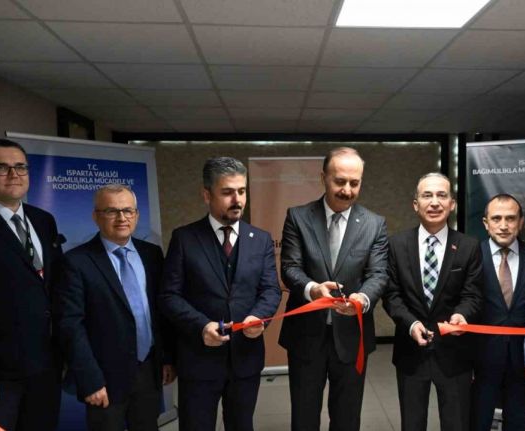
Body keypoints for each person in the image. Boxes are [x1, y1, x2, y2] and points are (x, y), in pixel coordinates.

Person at [160, 157, 280, 431]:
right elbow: (169, 296)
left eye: (242, 191)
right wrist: (201, 326)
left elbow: (270, 289)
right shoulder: (184, 239)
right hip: (198, 360)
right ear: (207, 195)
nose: (237, 200)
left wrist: (259, 317)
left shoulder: (260, 239)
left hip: (245, 359)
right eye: (227, 192)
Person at [278, 147, 388, 431]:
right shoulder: (298, 217)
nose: (347, 190)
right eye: (340, 181)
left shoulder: (375, 224)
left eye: (354, 183)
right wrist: (313, 289)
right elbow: (290, 267)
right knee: (304, 417)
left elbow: (378, 274)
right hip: (306, 336)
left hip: (352, 336)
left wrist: (362, 299)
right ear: (323, 178)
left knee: (347, 418)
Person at [57, 184, 176, 430]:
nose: (122, 218)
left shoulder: (152, 254)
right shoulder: (76, 262)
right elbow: (70, 325)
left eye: (128, 210)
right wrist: (89, 379)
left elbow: (161, 312)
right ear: (96, 216)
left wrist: (167, 358)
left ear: (137, 215)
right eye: (112, 211)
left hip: (148, 371)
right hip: (103, 377)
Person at [0, 138, 63, 431]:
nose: (14, 174)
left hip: (46, 365)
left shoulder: (43, 220)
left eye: (20, 167)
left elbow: (52, 288)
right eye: (1, 167)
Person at [383, 172, 483, 431]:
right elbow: (391, 296)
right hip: (410, 353)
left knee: (457, 424)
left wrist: (462, 315)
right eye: (427, 195)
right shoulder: (396, 245)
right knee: (412, 424)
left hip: (455, 354)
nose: (435, 202)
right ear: (415, 204)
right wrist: (411, 324)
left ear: (452, 204)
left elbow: (472, 294)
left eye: (442, 195)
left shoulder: (469, 246)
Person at [471, 194, 525, 431]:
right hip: (481, 359)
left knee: (518, 422)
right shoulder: (471, 256)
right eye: (496, 218)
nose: (504, 225)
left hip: (523, 358)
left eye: (511, 218)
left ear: (521, 222)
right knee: (477, 420)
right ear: (486, 223)